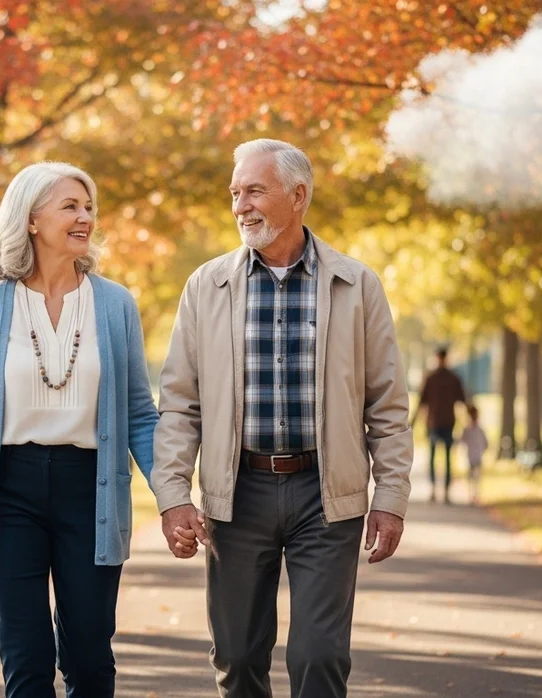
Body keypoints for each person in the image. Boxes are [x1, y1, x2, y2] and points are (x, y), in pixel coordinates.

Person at [151, 139, 413, 698]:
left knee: (320, 657)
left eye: (254, 191)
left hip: (327, 494)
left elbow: (386, 406)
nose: (240, 205)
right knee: (239, 657)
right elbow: (180, 403)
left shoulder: (356, 285)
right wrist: (173, 494)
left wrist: (390, 499)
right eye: (235, 193)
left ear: (298, 196)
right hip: (237, 493)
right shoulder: (206, 286)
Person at [0, 162, 159, 697]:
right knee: (27, 667)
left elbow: (141, 416)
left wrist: (173, 499)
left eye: (89, 207)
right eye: (70, 206)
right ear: (31, 220)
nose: (85, 217)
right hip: (9, 494)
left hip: (90, 490)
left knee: (90, 663)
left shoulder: (115, 304)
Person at [411, 347, 468, 503]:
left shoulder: (433, 377)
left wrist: (413, 423)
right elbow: (463, 400)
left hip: (438, 422)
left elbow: (422, 402)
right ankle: (439, 490)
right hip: (442, 422)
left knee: (440, 457)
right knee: (441, 457)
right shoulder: (450, 378)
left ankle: (439, 490)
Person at [459, 405, 488, 506]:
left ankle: (476, 494)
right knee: (471, 476)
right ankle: (471, 494)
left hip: (478, 456)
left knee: (477, 477)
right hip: (470, 456)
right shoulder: (467, 429)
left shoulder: (480, 430)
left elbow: (486, 443)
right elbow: (462, 440)